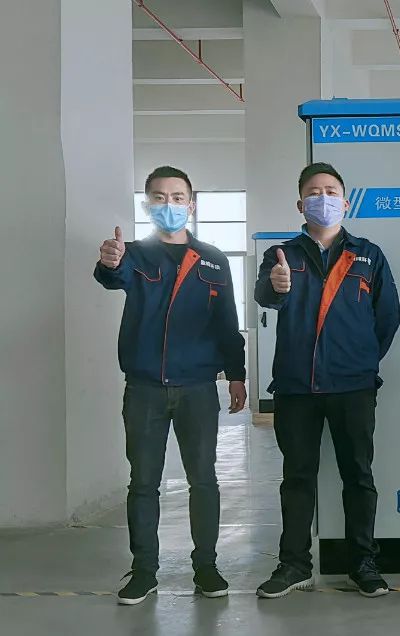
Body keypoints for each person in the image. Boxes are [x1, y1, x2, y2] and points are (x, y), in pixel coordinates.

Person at [94, 166, 247, 605]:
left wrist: (236, 375)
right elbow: (112, 276)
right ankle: (144, 571)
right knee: (143, 482)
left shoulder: (213, 259)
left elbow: (227, 323)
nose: (169, 204)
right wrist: (109, 262)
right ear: (147, 205)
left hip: (198, 388)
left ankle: (207, 568)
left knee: (204, 480)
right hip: (144, 389)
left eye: (177, 197)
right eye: (159, 197)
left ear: (190, 205)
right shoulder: (134, 255)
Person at [254, 162, 400, 599]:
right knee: (297, 478)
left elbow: (387, 318)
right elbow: (264, 296)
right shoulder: (283, 255)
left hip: (353, 387)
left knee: (359, 476)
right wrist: (276, 286)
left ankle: (363, 564)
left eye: (331, 191)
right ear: (300, 205)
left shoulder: (368, 255)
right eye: (314, 192)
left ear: (346, 202)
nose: (323, 198)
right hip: (296, 388)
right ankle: (294, 564)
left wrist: (360, 361)